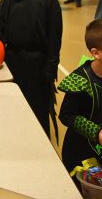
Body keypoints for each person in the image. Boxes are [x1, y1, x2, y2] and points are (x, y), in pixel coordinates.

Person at [0, 0, 62, 138]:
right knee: (12, 108)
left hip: (36, 66)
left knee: (36, 111)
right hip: (11, 60)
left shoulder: (47, 0)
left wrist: (50, 67)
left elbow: (55, 38)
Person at [58, 20, 102, 184]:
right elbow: (66, 115)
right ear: (96, 53)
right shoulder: (80, 80)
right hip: (81, 154)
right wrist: (96, 133)